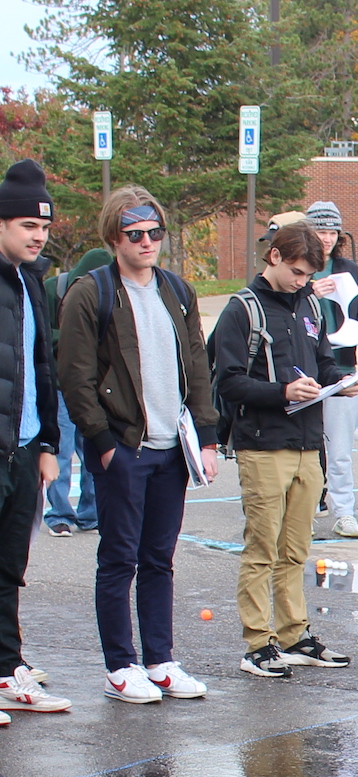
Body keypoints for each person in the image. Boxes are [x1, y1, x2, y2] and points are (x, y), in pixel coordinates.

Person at [55, 186, 220, 702]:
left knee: (158, 558)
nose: (148, 241)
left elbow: (197, 364)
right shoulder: (91, 292)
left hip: (174, 450)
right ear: (113, 237)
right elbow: (75, 377)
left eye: (155, 232)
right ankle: (120, 665)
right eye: (135, 234)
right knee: (119, 558)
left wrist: (208, 436)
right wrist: (103, 443)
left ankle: (160, 660)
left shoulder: (177, 290)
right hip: (124, 446)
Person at [209, 221, 352, 680]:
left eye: (309, 274)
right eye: (296, 271)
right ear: (273, 257)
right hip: (263, 444)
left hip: (309, 444)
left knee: (295, 548)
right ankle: (257, 642)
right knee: (262, 549)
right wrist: (283, 392)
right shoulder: (241, 310)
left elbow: (323, 360)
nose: (302, 281)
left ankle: (295, 634)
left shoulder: (310, 302)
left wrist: (340, 381)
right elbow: (228, 381)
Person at [0, 160, 69, 717]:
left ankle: (6, 671)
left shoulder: (31, 281)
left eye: (43, 227)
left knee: (8, 567)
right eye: (27, 225)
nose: (38, 235)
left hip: (23, 450)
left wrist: (46, 443)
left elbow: (41, 367)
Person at [304, 200, 358, 540]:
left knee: (341, 448)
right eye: (321, 231)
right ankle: (302, 513)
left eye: (333, 232)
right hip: (304, 369)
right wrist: (311, 291)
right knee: (303, 446)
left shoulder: (347, 268)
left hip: (343, 364)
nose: (327, 238)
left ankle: (343, 512)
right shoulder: (299, 268)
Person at [43, 243, 108, 537]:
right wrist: (73, 339)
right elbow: (38, 335)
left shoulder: (109, 294)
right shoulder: (51, 289)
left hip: (94, 388)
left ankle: (90, 513)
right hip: (58, 386)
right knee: (60, 452)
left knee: (93, 450)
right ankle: (59, 513)